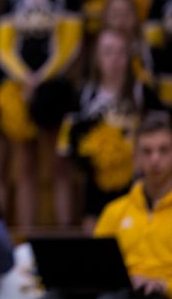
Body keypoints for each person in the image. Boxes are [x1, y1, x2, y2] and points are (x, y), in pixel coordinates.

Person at [0, 0, 82, 229]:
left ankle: (65, 231)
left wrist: (41, 77)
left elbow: (71, 43)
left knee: (59, 161)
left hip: (54, 87)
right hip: (21, 88)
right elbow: (3, 47)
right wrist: (24, 79)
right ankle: (28, 236)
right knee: (25, 165)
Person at [62, 29, 161, 232]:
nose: (115, 60)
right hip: (96, 188)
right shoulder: (85, 95)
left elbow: (162, 132)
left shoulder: (142, 92)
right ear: (97, 58)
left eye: (120, 53)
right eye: (108, 52)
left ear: (128, 56)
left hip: (137, 184)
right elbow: (67, 144)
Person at [93, 112, 172, 299]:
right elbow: (97, 269)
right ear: (136, 158)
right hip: (122, 291)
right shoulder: (115, 211)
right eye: (147, 151)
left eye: (163, 150)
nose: (155, 159)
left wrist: (165, 285)